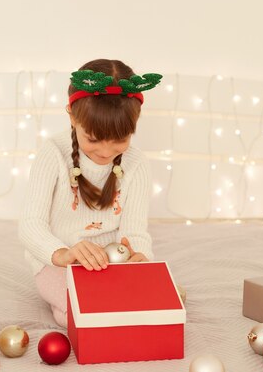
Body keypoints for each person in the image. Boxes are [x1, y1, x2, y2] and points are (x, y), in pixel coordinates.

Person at [18, 58, 162, 327]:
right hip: (59, 262)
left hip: (112, 262)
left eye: (120, 140)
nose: (106, 152)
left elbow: (134, 230)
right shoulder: (53, 154)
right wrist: (62, 253)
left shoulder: (137, 164)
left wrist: (139, 255)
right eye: (93, 140)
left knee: (147, 305)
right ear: (72, 116)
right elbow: (30, 225)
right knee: (88, 313)